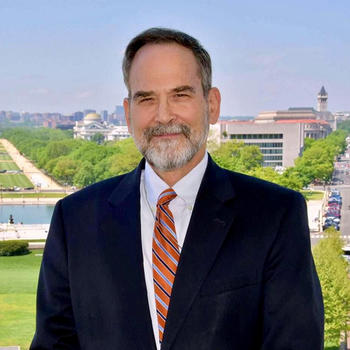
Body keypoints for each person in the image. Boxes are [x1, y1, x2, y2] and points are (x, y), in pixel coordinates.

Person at [31, 28, 324, 350]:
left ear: (211, 105)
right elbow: (54, 343)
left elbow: (295, 342)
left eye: (180, 95)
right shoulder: (75, 219)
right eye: (147, 98)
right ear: (128, 114)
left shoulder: (274, 214)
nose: (163, 115)